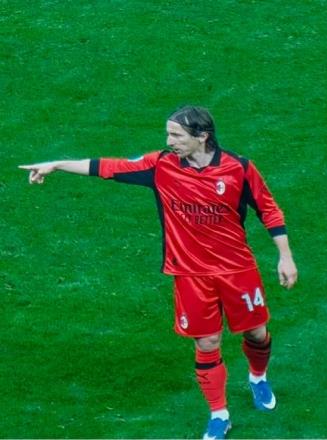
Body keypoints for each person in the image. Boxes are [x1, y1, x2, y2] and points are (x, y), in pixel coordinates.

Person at [19, 106, 298, 439]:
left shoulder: (239, 168)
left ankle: (258, 377)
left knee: (256, 333)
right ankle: (219, 414)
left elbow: (268, 209)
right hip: (190, 274)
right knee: (207, 342)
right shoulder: (161, 165)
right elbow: (108, 167)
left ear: (202, 136)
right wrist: (56, 165)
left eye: (176, 135)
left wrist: (285, 257)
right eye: (168, 134)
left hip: (237, 269)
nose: (169, 141)